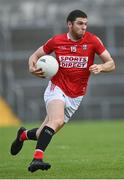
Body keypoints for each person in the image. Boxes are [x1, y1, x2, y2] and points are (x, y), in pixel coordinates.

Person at [10, 10, 115, 172]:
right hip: (56, 88)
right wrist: (32, 68)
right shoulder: (56, 41)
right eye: (80, 23)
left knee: (42, 132)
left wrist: (101, 67)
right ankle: (37, 159)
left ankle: (23, 135)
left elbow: (111, 63)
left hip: (76, 95)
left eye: (86, 24)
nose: (84, 27)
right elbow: (34, 56)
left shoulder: (93, 41)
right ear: (70, 24)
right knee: (56, 120)